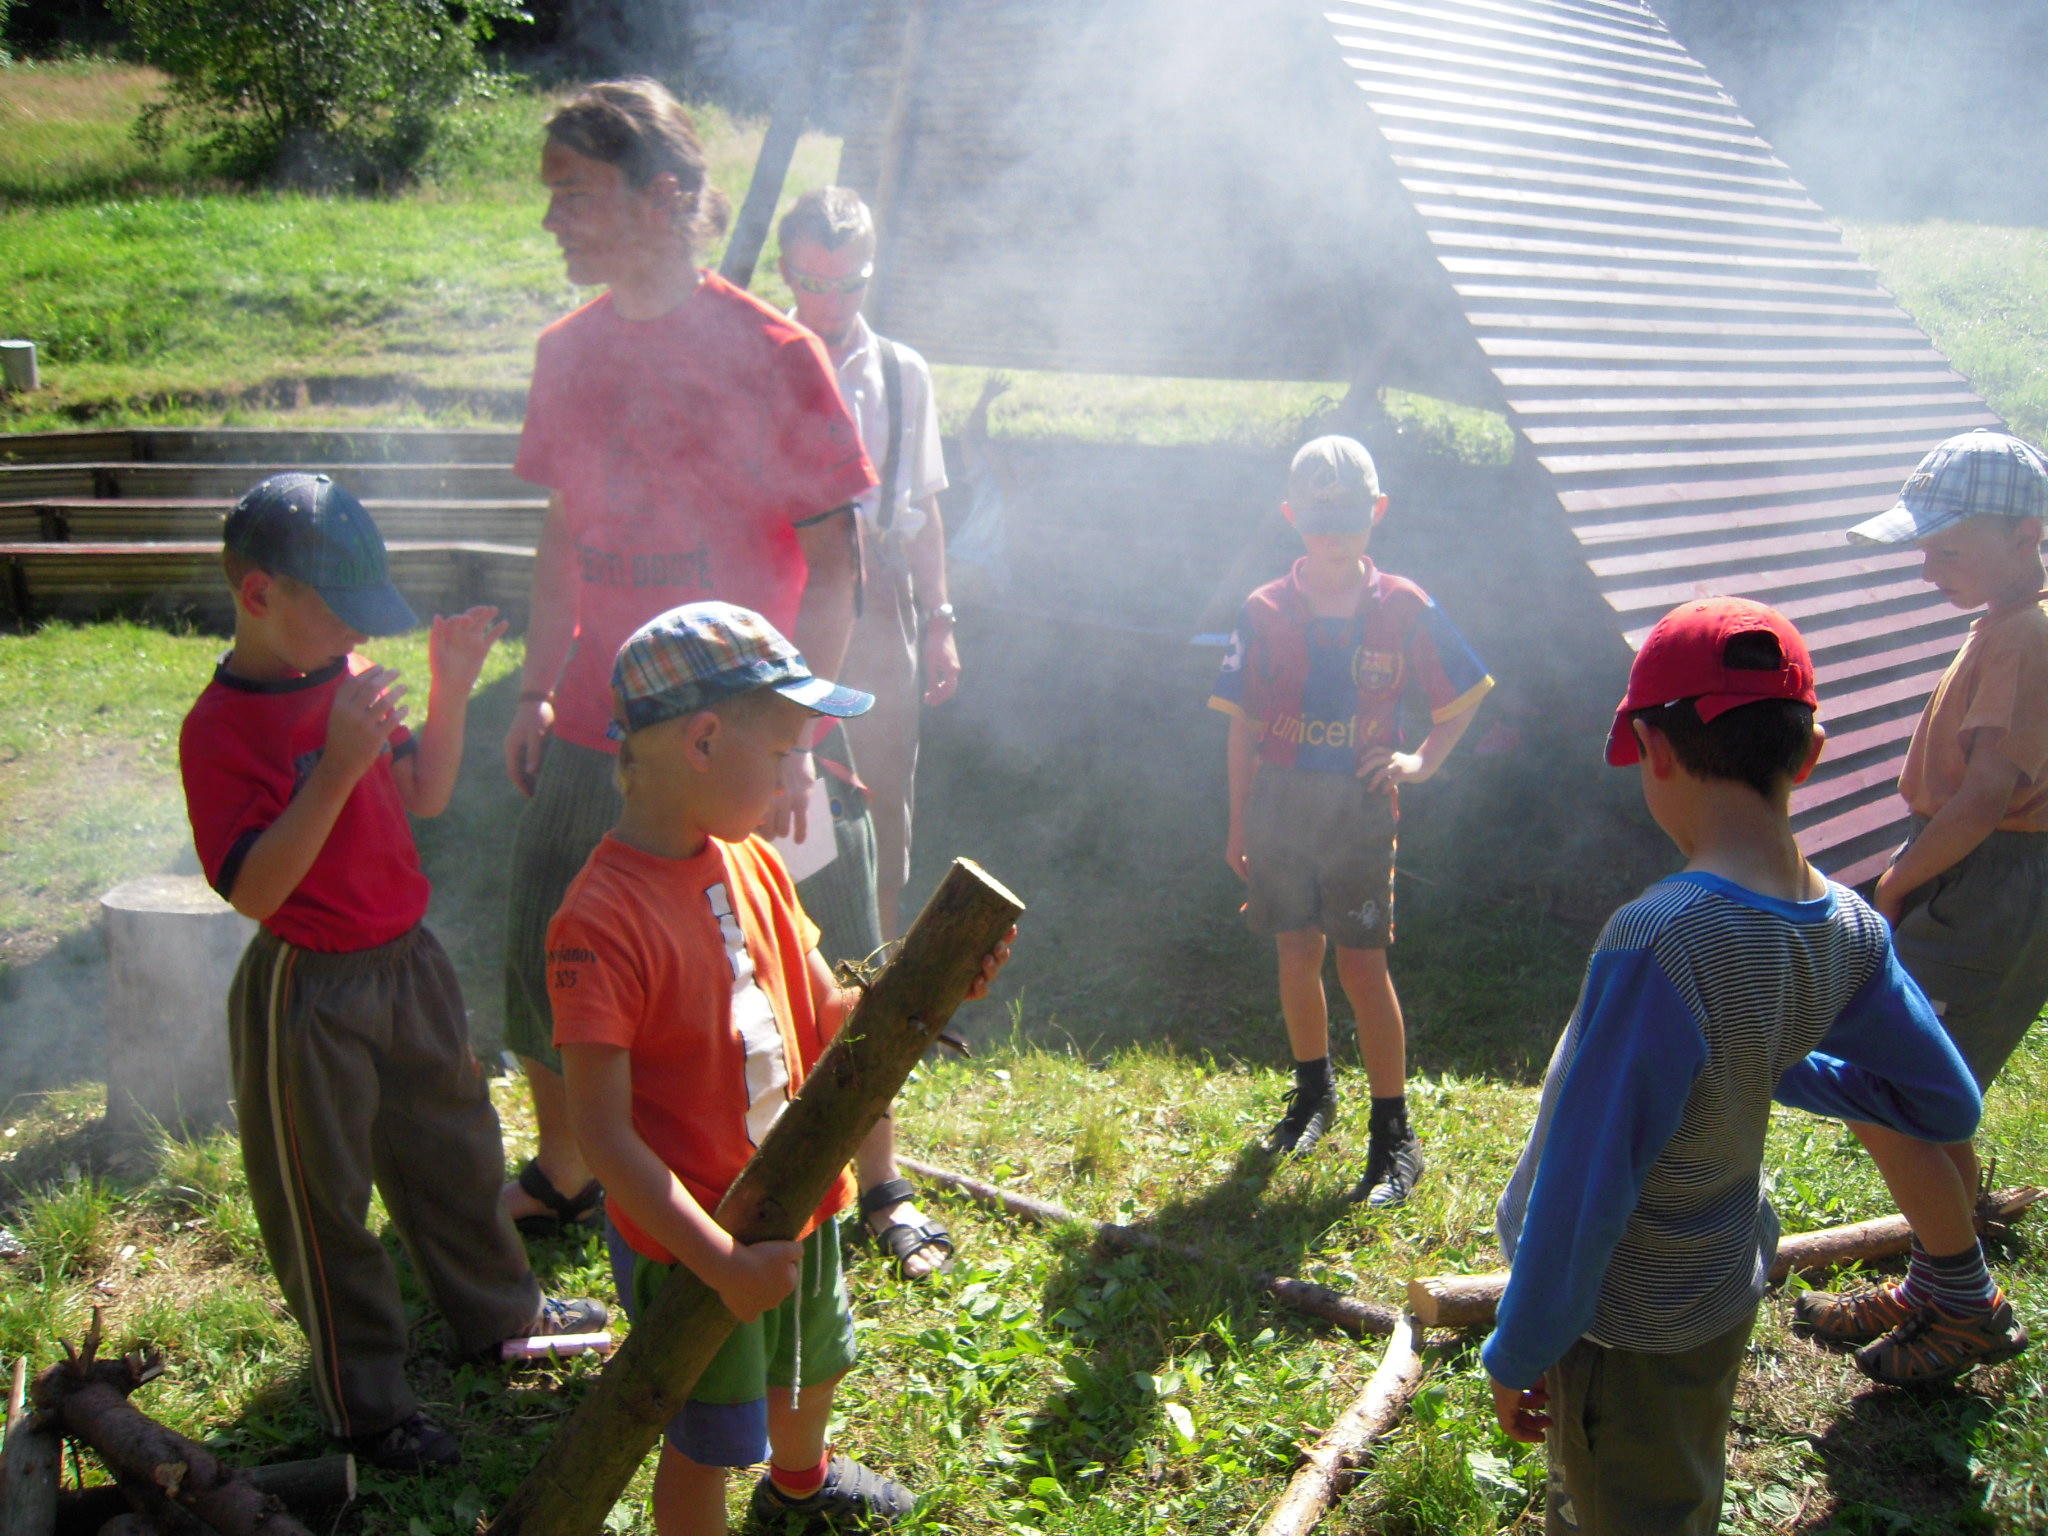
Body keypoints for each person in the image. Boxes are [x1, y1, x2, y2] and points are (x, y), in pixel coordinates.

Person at [1482, 597, 2001, 1536]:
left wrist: (1520, 1347)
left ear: (1654, 750)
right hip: (1719, 1284)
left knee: (1622, 1509)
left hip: (1618, 1317)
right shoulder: (1850, 927)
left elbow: (1586, 1185)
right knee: (1679, 1476)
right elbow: (1942, 1101)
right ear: (1810, 755)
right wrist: (1770, 1062)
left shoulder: (1659, 941)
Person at [497, 79, 876, 1241]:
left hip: (739, 729)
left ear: (664, 198)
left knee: (805, 966)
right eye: (550, 195)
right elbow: (561, 533)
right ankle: (569, 1167)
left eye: (575, 193)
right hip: (594, 718)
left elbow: (838, 565)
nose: (552, 218)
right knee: (545, 946)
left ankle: (867, 1180)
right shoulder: (566, 352)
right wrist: (533, 685)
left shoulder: (773, 353)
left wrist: (794, 740)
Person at [548, 602, 1013, 1534]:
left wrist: (932, 987)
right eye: (783, 753)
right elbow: (602, 1134)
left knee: (811, 1365)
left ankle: (801, 1482)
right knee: (705, 1442)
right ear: (703, 741)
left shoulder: (753, 862)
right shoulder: (598, 922)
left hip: (802, 1199)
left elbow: (828, 1016)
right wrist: (719, 1262)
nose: (794, 776)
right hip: (696, 1243)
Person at [178, 473, 605, 1474]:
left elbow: (425, 791)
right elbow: (254, 889)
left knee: (455, 1149)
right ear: (258, 594)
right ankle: (365, 1405)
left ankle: (500, 1315)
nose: (355, 633)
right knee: (321, 1201)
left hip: (408, 963)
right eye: (339, 612)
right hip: (308, 990)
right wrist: (334, 766)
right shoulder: (219, 729)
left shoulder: (349, 673)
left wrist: (451, 687)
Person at [1794, 428, 2048, 1375]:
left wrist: (1898, 885)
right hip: (1974, 869)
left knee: (1889, 1087)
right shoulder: (2006, 622)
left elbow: (1984, 798)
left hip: (1988, 881)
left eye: (1949, 549)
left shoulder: (2026, 633)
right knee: (1928, 1089)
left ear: (2026, 536)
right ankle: (1946, 1269)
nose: (1929, 567)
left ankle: (1962, 1303)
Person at [1208, 436, 1492, 1206]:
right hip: (1279, 805)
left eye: (1349, 518)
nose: (1333, 534)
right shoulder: (1262, 610)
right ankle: (1313, 1094)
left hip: (1358, 812)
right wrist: (1239, 823)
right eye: (1318, 519)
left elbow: (1463, 696)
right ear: (1290, 516)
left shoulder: (1403, 605)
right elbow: (1241, 725)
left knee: (1363, 966)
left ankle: (1394, 1135)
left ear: (1379, 512)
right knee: (1296, 949)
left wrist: (1420, 762)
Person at [776, 184, 961, 1279]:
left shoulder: (901, 371)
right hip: (784, 596)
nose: (829, 302)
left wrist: (940, 619)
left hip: (880, 598)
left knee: (879, 829)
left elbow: (923, 506)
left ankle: (868, 1023)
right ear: (785, 272)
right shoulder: (756, 358)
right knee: (774, 821)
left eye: (847, 282)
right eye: (811, 281)